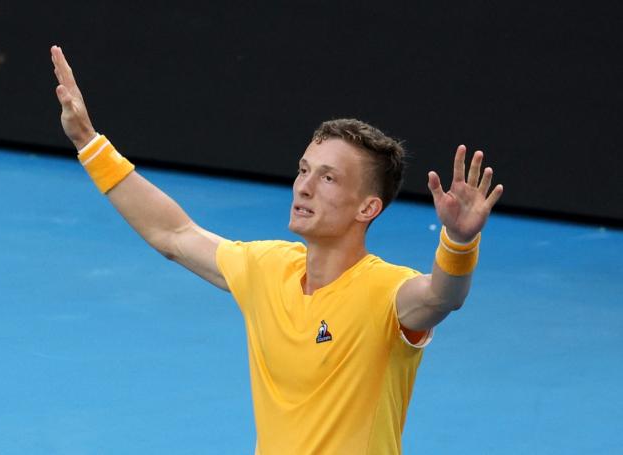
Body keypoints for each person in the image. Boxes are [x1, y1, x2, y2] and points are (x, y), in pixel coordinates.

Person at [50, 45, 503, 455]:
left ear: (369, 207)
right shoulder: (268, 269)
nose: (303, 187)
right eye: (303, 170)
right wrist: (89, 143)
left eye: (327, 178)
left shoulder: (388, 293)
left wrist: (459, 241)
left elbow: (443, 296)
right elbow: (174, 234)